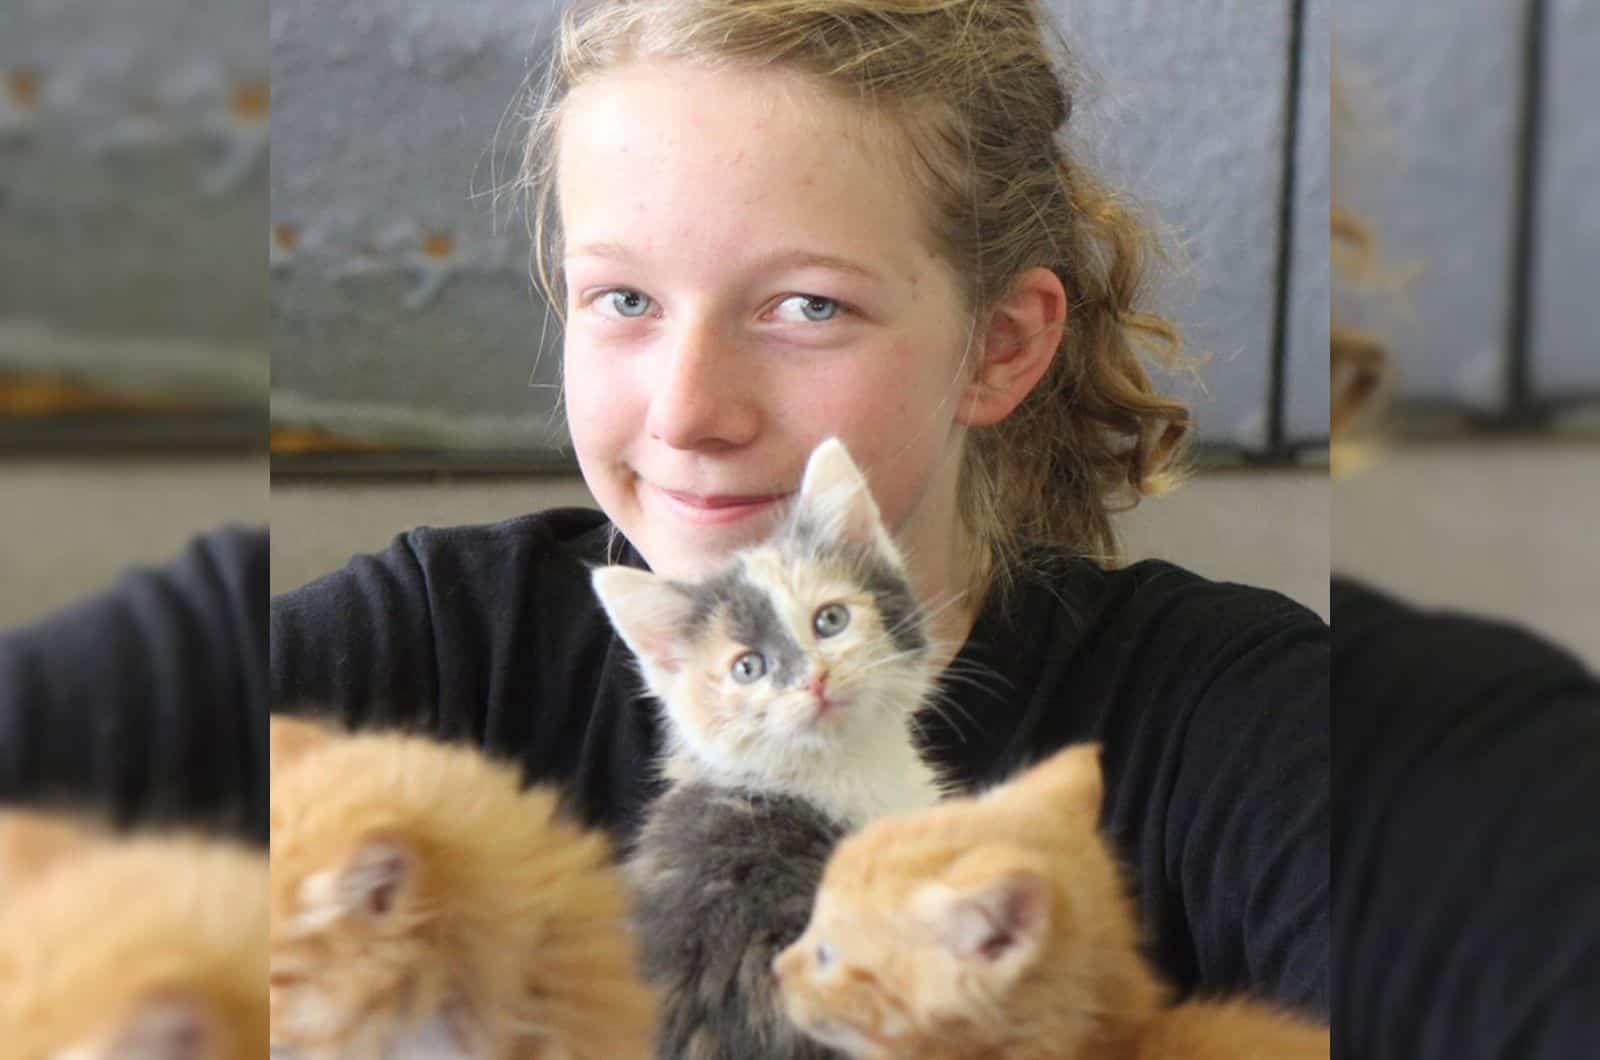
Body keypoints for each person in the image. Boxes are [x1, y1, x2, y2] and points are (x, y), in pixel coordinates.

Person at [272, 0, 1327, 1016]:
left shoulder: (1240, 720)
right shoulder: (429, 646)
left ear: (1000, 345)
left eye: (806, 306)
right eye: (624, 299)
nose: (687, 412)